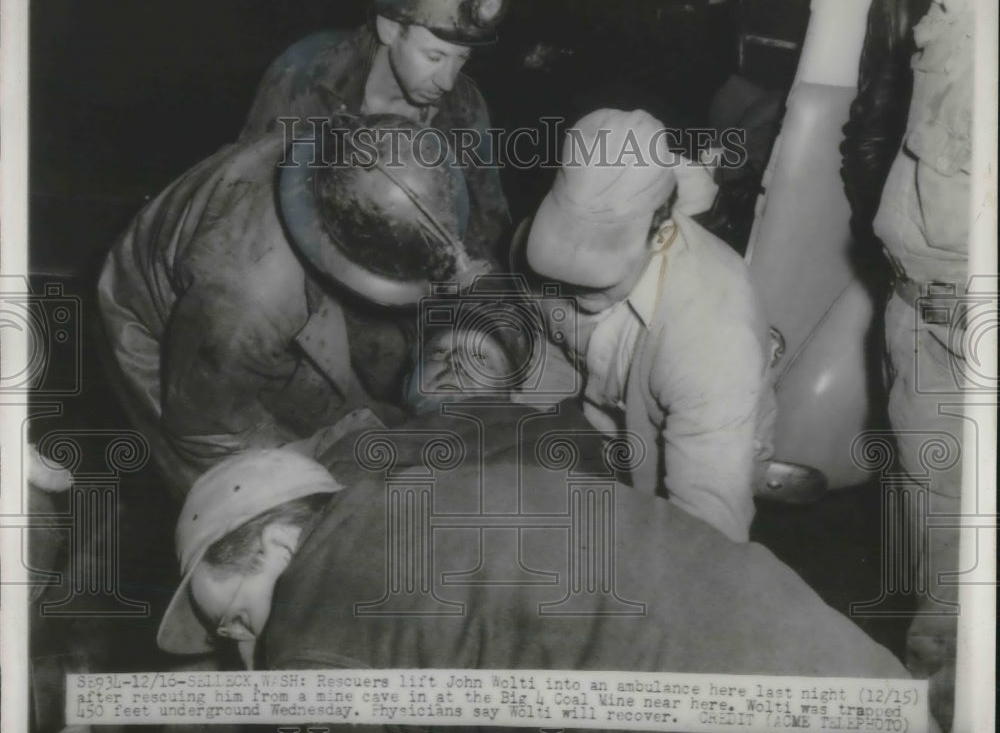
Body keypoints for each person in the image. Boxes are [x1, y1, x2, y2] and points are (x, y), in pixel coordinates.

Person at [155, 409, 915, 689]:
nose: (251, 659)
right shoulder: (414, 495)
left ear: (286, 537)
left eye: (239, 619)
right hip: (838, 662)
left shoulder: (321, 602)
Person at [97, 113, 477, 496]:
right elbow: (203, 429)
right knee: (243, 507)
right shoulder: (250, 299)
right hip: (165, 339)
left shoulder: (351, 145)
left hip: (236, 285)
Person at [520, 108, 824, 544]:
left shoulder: (714, 338)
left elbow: (706, 535)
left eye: (599, 264)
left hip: (688, 456)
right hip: (598, 433)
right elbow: (543, 350)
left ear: (661, 233)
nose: (573, 279)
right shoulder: (541, 244)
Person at [861, 0, 974, 730]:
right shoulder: (942, 18)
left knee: (954, 585)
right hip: (916, 319)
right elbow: (866, 133)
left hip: (962, 337)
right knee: (925, 544)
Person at [240, 0, 511, 266]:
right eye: (434, 57)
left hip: (412, 276)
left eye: (462, 58)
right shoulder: (308, 72)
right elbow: (246, 201)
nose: (447, 81)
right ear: (390, 28)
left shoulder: (465, 106)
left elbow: (489, 224)